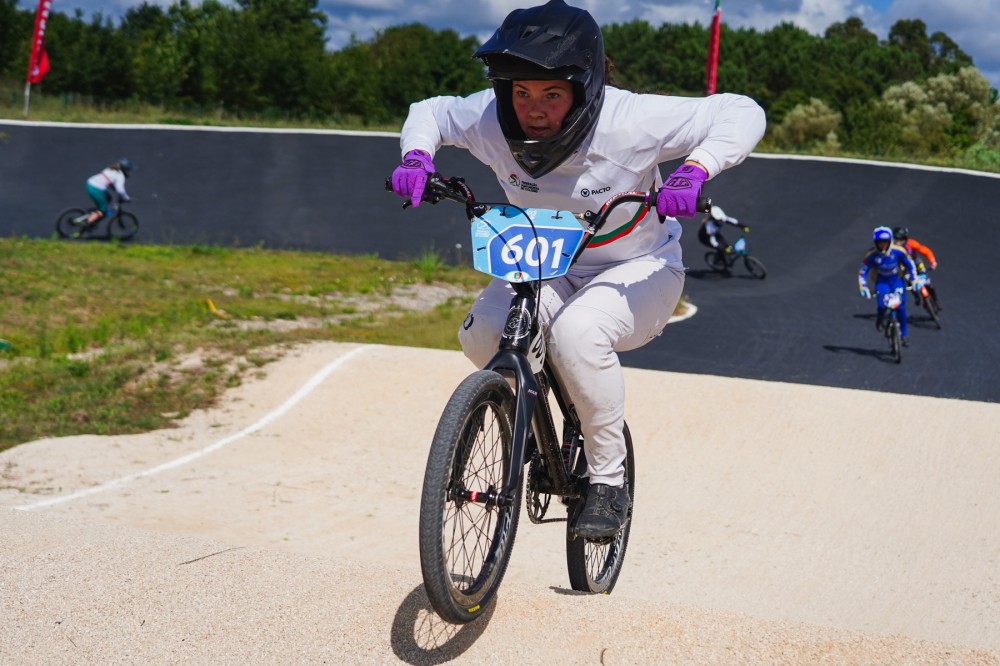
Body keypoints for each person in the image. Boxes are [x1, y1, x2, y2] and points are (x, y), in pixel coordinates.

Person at [389, 0, 765, 539]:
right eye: (520, 93)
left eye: (550, 94)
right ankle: (537, 422)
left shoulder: (631, 120)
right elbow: (430, 111)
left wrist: (694, 172)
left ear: (584, 89)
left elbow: (742, 110)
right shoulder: (490, 118)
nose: (532, 109)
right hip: (549, 263)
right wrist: (417, 157)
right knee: (484, 338)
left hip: (641, 266)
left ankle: (607, 482)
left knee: (578, 334)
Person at [858, 226, 918, 346]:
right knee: (882, 305)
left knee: (901, 307)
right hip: (882, 283)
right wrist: (863, 286)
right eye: (880, 242)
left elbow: (910, 264)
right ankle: (880, 318)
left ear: (890, 241)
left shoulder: (899, 251)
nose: (882, 245)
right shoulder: (871, 255)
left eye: (885, 242)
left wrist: (915, 279)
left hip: (897, 281)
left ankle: (904, 335)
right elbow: (863, 272)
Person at [892, 226, 942, 309]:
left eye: (901, 239)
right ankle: (916, 296)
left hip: (917, 264)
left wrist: (932, 261)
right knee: (908, 280)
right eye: (896, 240)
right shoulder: (892, 249)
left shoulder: (911, 243)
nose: (899, 242)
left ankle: (935, 299)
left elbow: (925, 251)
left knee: (928, 282)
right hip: (905, 268)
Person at [84, 158, 134, 225]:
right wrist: (126, 198)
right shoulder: (120, 176)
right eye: (128, 170)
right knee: (103, 209)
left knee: (108, 198)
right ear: (125, 169)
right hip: (96, 189)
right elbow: (120, 190)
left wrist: (115, 190)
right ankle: (88, 222)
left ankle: (96, 212)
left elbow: (109, 182)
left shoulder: (111, 168)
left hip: (90, 183)